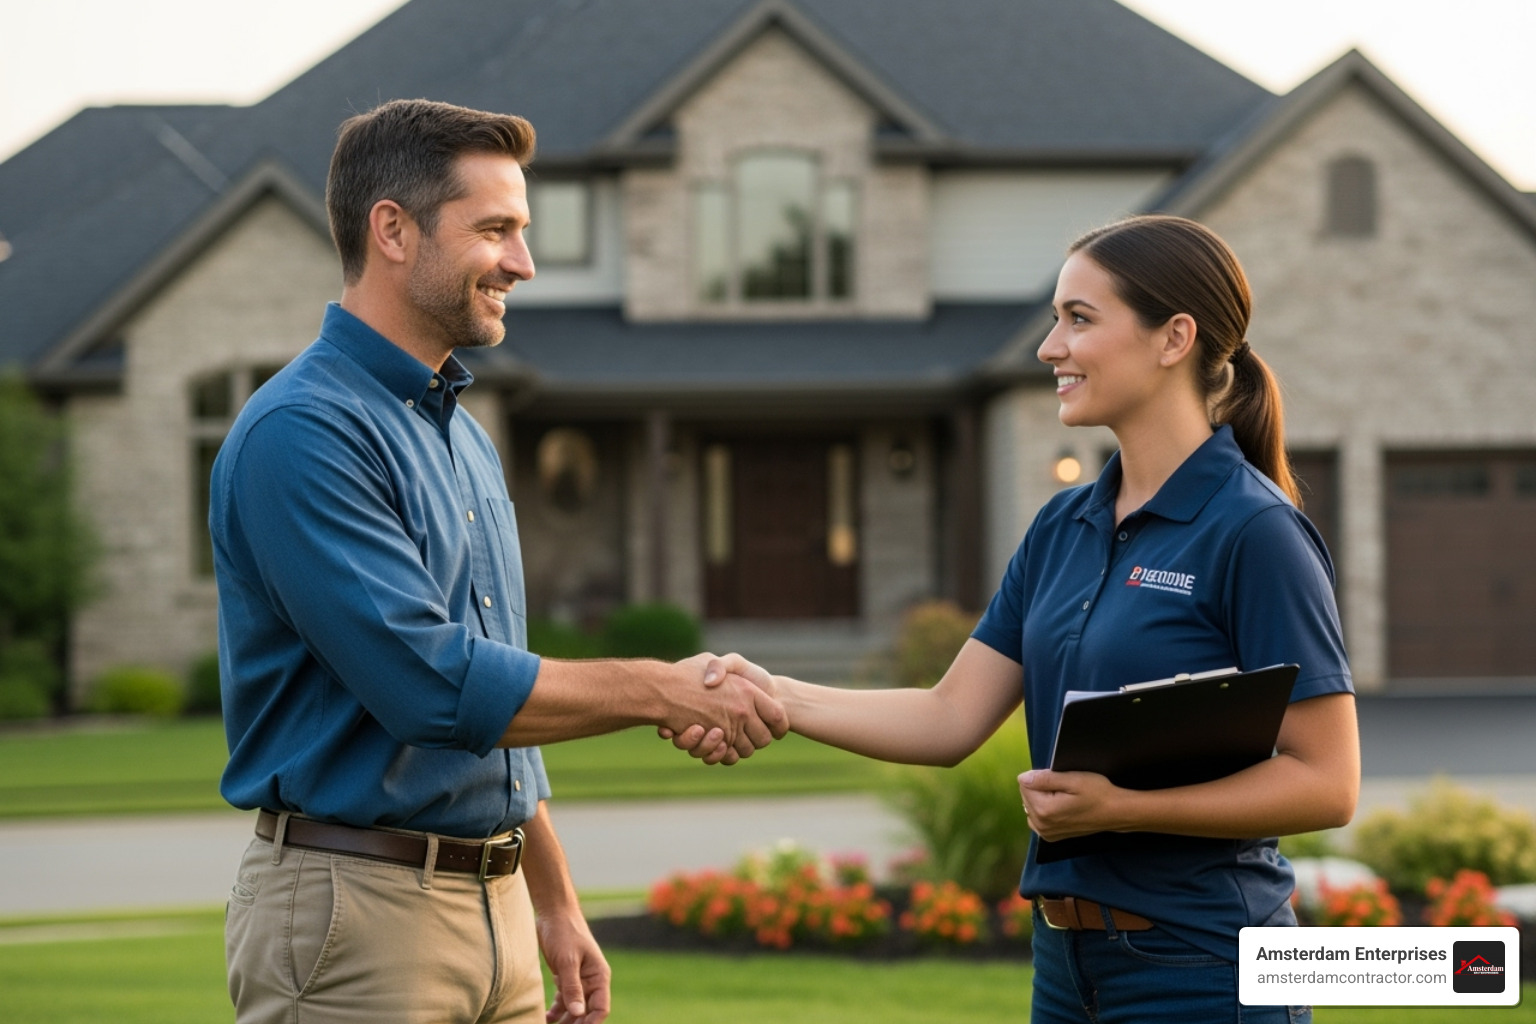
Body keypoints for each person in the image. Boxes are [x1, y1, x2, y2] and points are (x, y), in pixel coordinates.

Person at [675, 215, 1359, 1023]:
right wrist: (773, 694)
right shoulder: (1063, 526)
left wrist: (1127, 809)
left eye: (1079, 318)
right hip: (1065, 969)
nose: (1048, 347)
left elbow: (1326, 782)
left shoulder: (1254, 531)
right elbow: (948, 715)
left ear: (1174, 337)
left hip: (1206, 966)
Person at [209, 98, 786, 1024]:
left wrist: (551, 899)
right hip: (356, 923)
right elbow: (434, 688)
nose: (522, 261)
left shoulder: (463, 438)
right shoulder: (304, 434)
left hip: (501, 909)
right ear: (392, 230)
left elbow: (495, 705)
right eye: (496, 230)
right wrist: (662, 690)